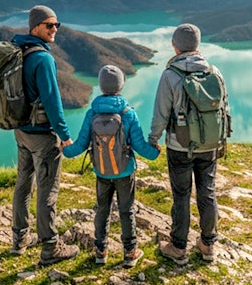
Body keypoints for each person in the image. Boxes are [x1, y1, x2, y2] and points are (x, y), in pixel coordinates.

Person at [63, 65, 160, 267]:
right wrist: (155, 152)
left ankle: (101, 252)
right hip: (125, 172)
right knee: (127, 211)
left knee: (102, 210)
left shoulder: (92, 114)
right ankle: (130, 252)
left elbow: (81, 144)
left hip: (102, 172)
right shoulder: (128, 113)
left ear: (100, 86)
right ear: (121, 86)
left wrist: (65, 149)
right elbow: (140, 145)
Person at [148, 23, 229, 265]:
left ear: (175, 46)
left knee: (181, 195)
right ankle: (207, 244)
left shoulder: (170, 74)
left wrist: (153, 139)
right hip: (209, 145)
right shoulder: (215, 72)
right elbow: (224, 109)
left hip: (179, 146)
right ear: (197, 45)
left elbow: (161, 113)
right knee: (208, 192)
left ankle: (178, 247)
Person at [9, 5, 78, 266]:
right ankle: (50, 247)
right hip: (41, 135)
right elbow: (52, 101)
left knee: (23, 183)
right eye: (49, 25)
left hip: (21, 131)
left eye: (56, 25)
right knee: (47, 190)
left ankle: (19, 238)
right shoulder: (43, 59)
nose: (54, 30)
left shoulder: (20, 50)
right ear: (35, 26)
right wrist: (65, 135)